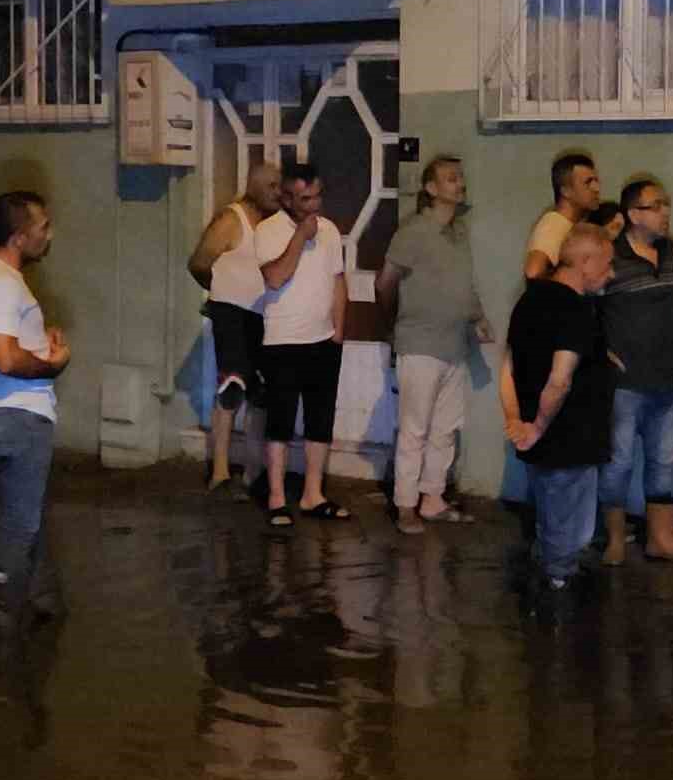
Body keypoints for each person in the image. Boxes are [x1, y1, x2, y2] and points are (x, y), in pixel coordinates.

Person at [0, 191, 72, 680]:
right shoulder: (3, 285)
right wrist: (52, 363)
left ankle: (46, 600)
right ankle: (2, 624)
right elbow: (5, 358)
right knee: (19, 524)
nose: (49, 234)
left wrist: (37, 342)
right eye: (43, 226)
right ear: (18, 235)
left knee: (26, 511)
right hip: (20, 417)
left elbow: (3, 346)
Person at [376, 156, 494, 535]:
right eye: (450, 178)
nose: (459, 184)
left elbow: (463, 284)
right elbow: (384, 284)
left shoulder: (458, 233)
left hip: (453, 345)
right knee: (415, 429)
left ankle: (432, 500)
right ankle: (405, 505)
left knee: (445, 429)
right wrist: (393, 327)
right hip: (419, 343)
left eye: (460, 177)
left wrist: (478, 317)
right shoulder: (413, 231)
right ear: (430, 189)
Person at [501, 223, 617, 590]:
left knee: (551, 521)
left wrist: (516, 418)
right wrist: (535, 426)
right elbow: (560, 378)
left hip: (546, 441)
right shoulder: (576, 310)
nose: (611, 273)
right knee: (566, 531)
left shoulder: (529, 300)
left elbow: (509, 366)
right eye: (607, 264)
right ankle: (555, 607)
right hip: (568, 439)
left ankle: (551, 583)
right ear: (585, 261)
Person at [599, 178, 673, 565]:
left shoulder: (669, 249)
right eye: (656, 206)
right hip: (626, 382)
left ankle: (661, 540)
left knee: (662, 461)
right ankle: (615, 540)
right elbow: (589, 302)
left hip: (667, 377)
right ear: (632, 215)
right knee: (619, 462)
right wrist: (601, 352)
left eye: (666, 204)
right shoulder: (611, 254)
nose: (665, 212)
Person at [255, 163, 352, 526]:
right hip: (282, 340)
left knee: (319, 420)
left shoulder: (329, 231)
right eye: (305, 199)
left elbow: (338, 281)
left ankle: (314, 494)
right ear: (286, 198)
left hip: (323, 339)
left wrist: (338, 332)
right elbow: (276, 277)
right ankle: (277, 497)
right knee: (280, 420)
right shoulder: (268, 230)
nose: (314, 206)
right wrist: (300, 237)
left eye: (317, 196)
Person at [187, 163, 281, 499]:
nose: (277, 192)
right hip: (232, 315)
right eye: (271, 186)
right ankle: (221, 471)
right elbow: (198, 262)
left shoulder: (274, 225)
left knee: (260, 394)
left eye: (279, 186)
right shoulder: (231, 219)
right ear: (253, 187)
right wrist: (220, 294)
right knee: (232, 387)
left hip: (261, 316)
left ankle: (254, 470)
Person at [523, 152, 601, 279]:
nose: (596, 188)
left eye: (596, 181)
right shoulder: (554, 223)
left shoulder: (569, 224)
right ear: (566, 191)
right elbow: (533, 271)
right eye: (588, 182)